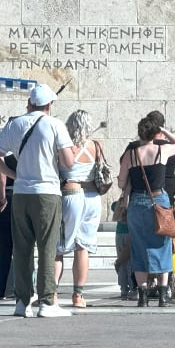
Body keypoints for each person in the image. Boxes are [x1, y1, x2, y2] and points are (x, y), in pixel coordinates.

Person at [0, 84, 75, 318]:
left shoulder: (15, 124)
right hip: (47, 191)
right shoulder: (55, 125)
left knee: (22, 248)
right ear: (49, 105)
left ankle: (22, 301)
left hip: (20, 192)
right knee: (47, 247)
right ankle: (47, 301)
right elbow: (68, 162)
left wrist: (12, 175)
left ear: (30, 103)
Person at [118, 116, 175, 307]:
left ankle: (142, 295)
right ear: (155, 133)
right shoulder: (162, 150)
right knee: (163, 245)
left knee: (138, 246)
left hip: (137, 202)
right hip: (159, 200)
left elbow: (121, 182)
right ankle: (163, 294)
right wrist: (163, 128)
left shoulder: (131, 154)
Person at [53, 110, 104, 308]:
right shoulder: (95, 146)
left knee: (58, 246)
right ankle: (78, 295)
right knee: (83, 247)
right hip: (92, 196)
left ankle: (53, 293)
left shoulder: (65, 147)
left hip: (70, 192)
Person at [0, 130, 15, 300]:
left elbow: (0, 173)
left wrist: (0, 193)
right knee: (22, 246)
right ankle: (20, 288)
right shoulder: (18, 147)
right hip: (19, 196)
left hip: (5, 197)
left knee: (4, 247)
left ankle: (1, 289)